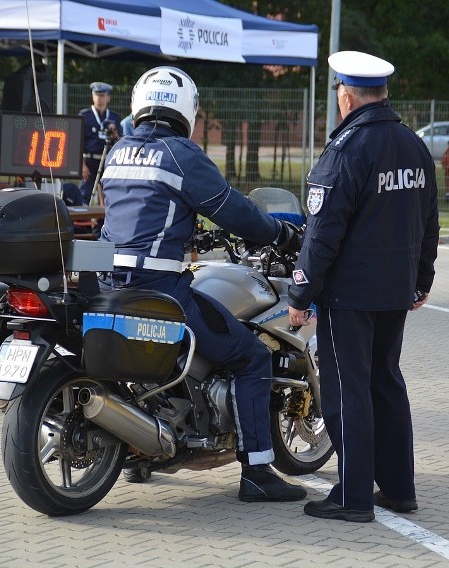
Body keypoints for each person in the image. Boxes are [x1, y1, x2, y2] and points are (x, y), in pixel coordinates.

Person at [98, 66, 307, 503]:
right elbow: (234, 210)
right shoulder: (180, 154)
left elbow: (138, 216)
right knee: (251, 358)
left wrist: (186, 232)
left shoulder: (118, 152)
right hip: (160, 290)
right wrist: (280, 233)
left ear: (138, 104)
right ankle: (257, 473)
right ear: (186, 110)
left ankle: (139, 454)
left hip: (108, 285)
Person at [287, 51, 439, 523]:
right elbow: (430, 221)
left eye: (338, 94)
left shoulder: (346, 150)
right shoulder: (414, 145)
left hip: (349, 296)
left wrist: (301, 294)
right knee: (386, 384)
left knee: (347, 391)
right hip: (395, 291)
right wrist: (421, 279)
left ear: (346, 97)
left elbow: (322, 232)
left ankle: (353, 497)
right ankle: (399, 487)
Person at [77, 82, 121, 205]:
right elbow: (78, 142)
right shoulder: (85, 115)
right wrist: (82, 164)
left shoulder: (114, 117)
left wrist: (115, 135)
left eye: (102, 95)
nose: (99, 98)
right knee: (84, 195)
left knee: (109, 197)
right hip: (89, 162)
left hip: (107, 163)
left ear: (108, 98)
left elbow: (119, 143)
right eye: (96, 95)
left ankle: (101, 223)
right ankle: (82, 223)